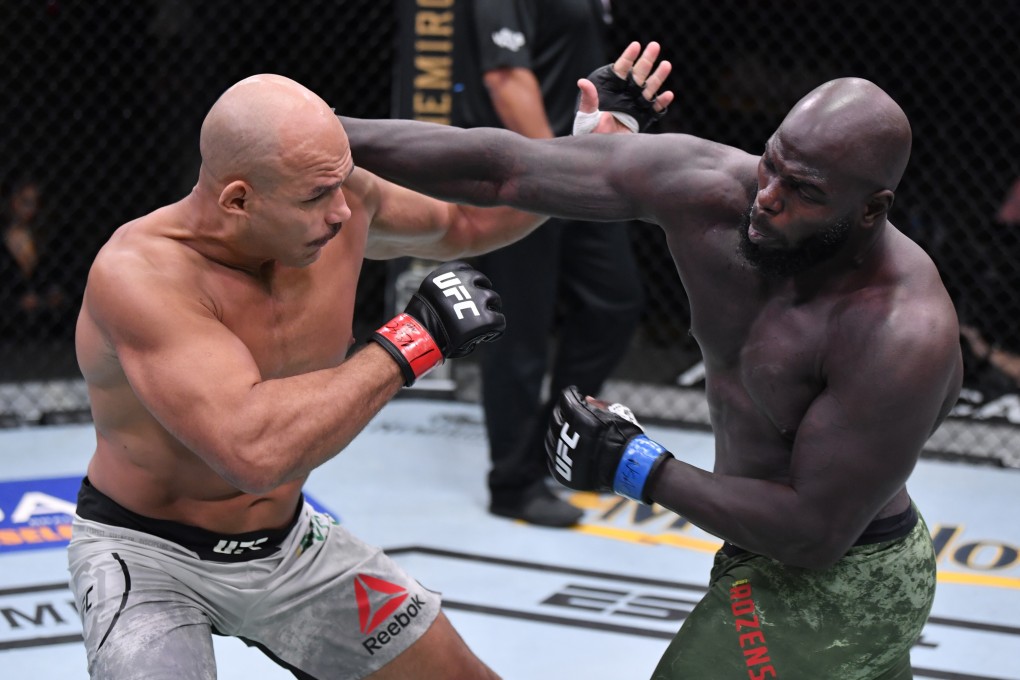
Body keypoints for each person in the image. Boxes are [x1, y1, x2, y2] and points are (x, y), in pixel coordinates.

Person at [339, 51, 963, 678]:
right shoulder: (711, 190)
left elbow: (813, 531)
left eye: (804, 191)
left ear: (871, 209)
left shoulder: (899, 330)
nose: (768, 198)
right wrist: (323, 131)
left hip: (842, 582)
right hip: (766, 547)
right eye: (771, 163)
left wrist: (636, 465)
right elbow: (504, 170)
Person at [68, 44, 671, 679]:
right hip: (151, 556)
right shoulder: (142, 275)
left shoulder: (339, 200)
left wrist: (586, 154)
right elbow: (253, 451)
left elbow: (464, 221)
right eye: (316, 196)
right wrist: (412, 341)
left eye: (342, 183)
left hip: (290, 546)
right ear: (238, 200)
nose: (341, 210)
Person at [452, 0, 645, 527]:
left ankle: (556, 446)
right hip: (521, 175)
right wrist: (552, 172)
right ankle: (513, 484)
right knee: (520, 331)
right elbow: (505, 77)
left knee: (614, 303)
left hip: (575, 166)